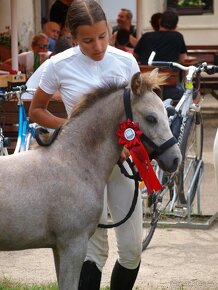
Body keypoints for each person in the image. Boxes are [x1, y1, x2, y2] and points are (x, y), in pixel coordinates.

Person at [28, 1, 142, 289]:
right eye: (88, 40)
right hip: (81, 170)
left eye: (103, 36)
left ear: (109, 29)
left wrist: (134, 141)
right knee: (93, 250)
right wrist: (71, 128)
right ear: (72, 35)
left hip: (123, 162)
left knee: (131, 250)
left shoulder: (126, 61)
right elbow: (37, 110)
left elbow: (139, 110)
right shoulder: (58, 64)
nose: (98, 46)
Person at [134, 10, 187, 100]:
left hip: (144, 90)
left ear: (159, 21)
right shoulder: (177, 37)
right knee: (194, 94)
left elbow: (134, 57)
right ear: (175, 25)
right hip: (169, 89)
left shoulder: (146, 36)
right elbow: (182, 59)